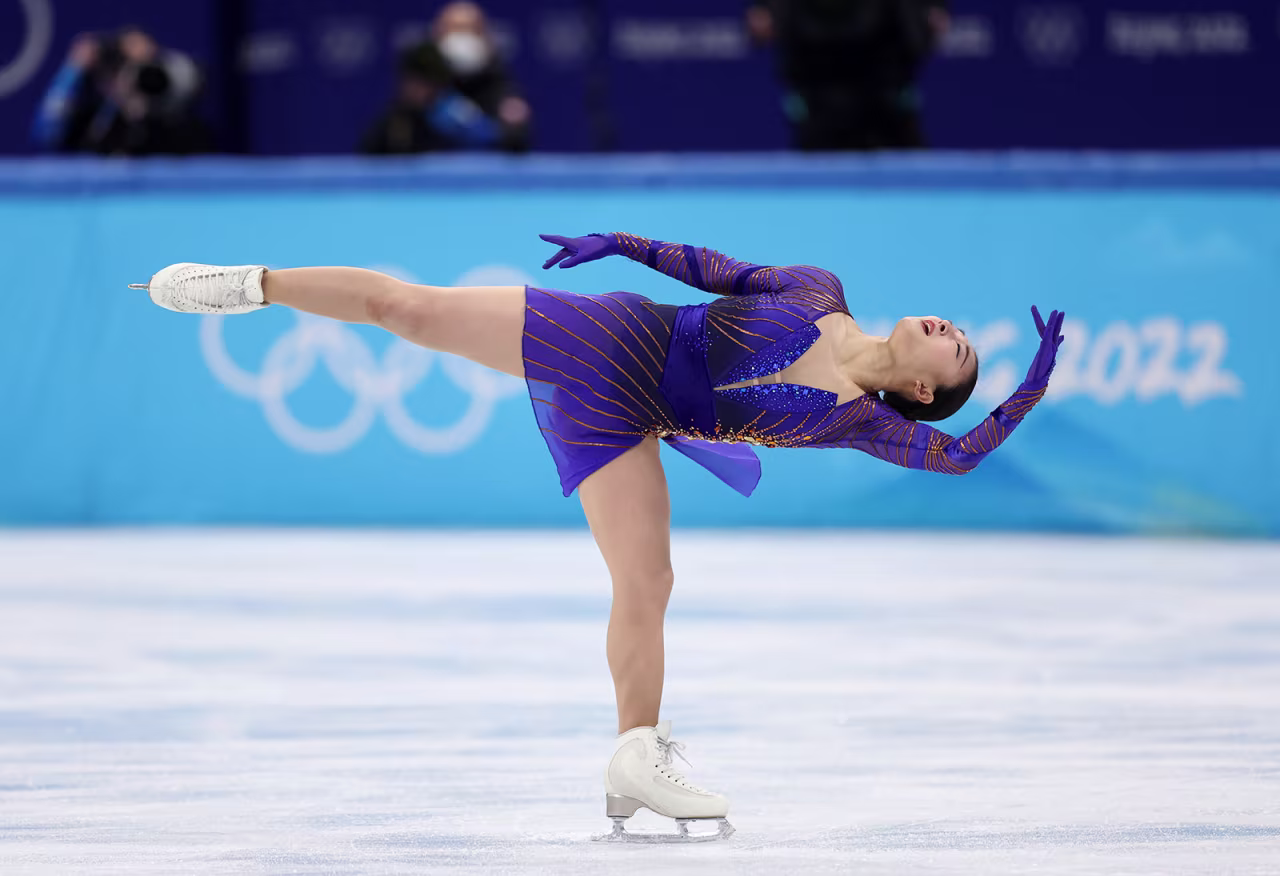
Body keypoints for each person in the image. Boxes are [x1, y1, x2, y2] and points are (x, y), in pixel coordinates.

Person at [129, 233, 1064, 842]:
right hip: (607, 340)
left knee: (648, 581)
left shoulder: (867, 423)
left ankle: (634, 754)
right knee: (408, 309)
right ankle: (248, 283)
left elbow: (963, 457)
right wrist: (621, 244)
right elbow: (713, 272)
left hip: (632, 420)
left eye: (961, 356)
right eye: (959, 334)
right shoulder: (820, 286)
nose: (952, 333)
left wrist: (1027, 389)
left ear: (921, 392)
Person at [746, 0, 950, 150]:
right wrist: (767, 12)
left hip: (885, 92)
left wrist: (930, 10)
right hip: (817, 94)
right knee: (819, 180)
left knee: (906, 178)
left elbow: (926, 23)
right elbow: (765, 22)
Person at [363, 2, 531, 154]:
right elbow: (378, 151)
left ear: (486, 37)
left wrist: (498, 131)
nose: (461, 39)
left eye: (470, 30)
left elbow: (518, 145)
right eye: (453, 30)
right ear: (436, 35)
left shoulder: (501, 89)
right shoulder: (418, 90)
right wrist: (416, 109)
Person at [31, 27, 208, 156]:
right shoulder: (94, 122)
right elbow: (46, 132)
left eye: (140, 67)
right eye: (123, 67)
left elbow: (195, 78)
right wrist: (72, 70)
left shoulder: (175, 122)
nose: (132, 75)